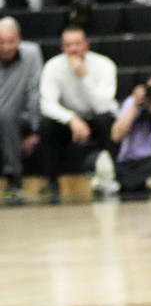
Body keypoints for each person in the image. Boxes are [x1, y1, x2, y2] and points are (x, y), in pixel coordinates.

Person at [37, 25, 119, 200]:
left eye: (77, 44)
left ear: (86, 45)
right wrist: (71, 119)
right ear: (62, 48)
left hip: (96, 118)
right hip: (70, 121)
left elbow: (103, 106)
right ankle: (52, 182)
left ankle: (113, 178)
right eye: (68, 45)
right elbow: (46, 104)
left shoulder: (104, 65)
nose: (73, 49)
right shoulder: (53, 66)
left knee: (106, 120)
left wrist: (84, 75)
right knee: (46, 125)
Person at [0, 16, 41, 200]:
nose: (6, 47)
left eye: (11, 41)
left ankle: (14, 177)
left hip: (21, 115)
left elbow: (35, 91)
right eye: (1, 43)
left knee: (6, 115)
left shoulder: (31, 53)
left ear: (19, 39)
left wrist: (33, 129)